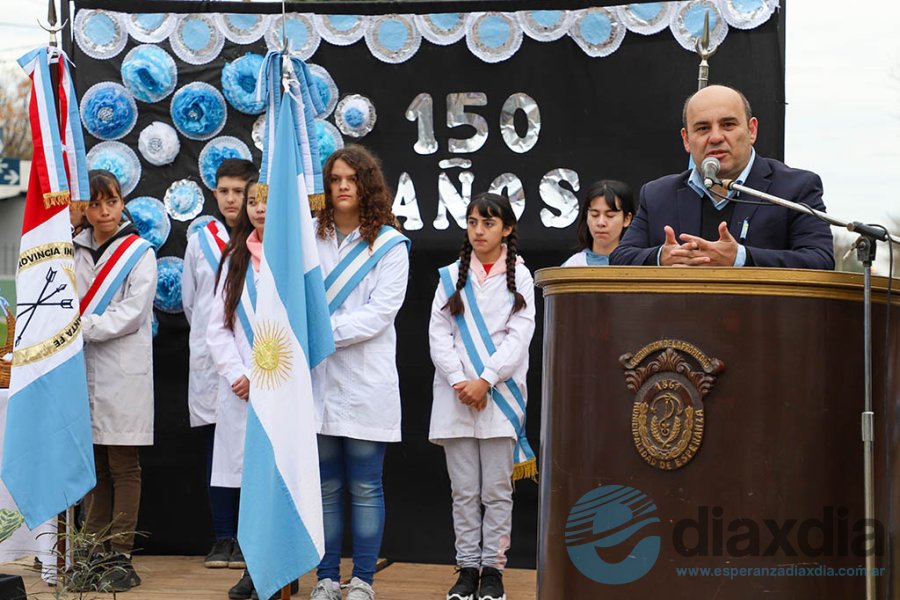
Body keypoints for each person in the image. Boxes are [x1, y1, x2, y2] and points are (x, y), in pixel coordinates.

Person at [310, 145, 410, 600]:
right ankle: (327, 578)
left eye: (351, 178)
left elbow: (379, 315)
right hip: (317, 381)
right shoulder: (309, 237)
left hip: (366, 382)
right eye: (335, 179)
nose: (343, 186)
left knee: (366, 485)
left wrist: (319, 331)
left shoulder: (389, 244)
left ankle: (363, 581)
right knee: (326, 486)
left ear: (367, 184)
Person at [428, 193, 536, 600]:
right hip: (456, 396)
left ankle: (493, 569)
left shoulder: (521, 276)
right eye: (472, 222)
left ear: (506, 228)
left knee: (496, 490)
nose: (478, 231)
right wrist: (460, 381)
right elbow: (438, 335)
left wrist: (486, 379)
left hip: (500, 395)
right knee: (464, 491)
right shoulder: (447, 276)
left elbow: (519, 336)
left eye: (488, 223)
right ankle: (467, 568)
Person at [610, 84, 834, 270]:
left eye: (728, 125)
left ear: (751, 130)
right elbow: (619, 258)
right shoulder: (657, 194)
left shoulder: (795, 188)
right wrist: (661, 257)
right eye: (703, 128)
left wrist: (740, 258)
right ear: (687, 140)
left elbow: (820, 261)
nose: (716, 137)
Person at [74, 169, 157, 592]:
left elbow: (132, 312)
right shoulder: (72, 250)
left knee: (124, 465)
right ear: (83, 207)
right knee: (94, 468)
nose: (104, 211)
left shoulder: (139, 252)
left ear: (122, 203)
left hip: (122, 371)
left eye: (111, 201)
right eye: (95, 203)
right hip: (83, 370)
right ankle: (93, 548)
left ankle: (120, 553)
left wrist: (80, 327)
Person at [182, 158, 258, 571]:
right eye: (224, 191)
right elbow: (193, 304)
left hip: (253, 364)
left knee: (251, 451)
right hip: (213, 363)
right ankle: (223, 536)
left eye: (239, 191)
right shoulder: (200, 239)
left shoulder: (264, 239)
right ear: (215, 194)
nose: (232, 199)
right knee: (217, 450)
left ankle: (250, 537)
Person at [205, 178, 265, 600]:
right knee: (247, 481)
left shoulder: (296, 258)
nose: (259, 208)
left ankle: (283, 564)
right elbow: (217, 328)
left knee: (279, 480)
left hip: (281, 386)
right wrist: (238, 373)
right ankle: (256, 567)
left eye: (266, 201)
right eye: (252, 201)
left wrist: (266, 377)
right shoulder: (234, 257)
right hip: (242, 387)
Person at [562, 180, 634, 266]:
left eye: (610, 215)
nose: (601, 223)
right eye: (594, 215)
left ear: (627, 219)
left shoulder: (638, 264)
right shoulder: (572, 266)